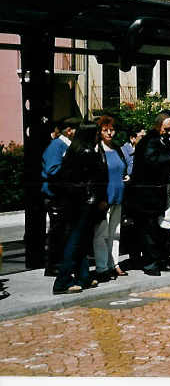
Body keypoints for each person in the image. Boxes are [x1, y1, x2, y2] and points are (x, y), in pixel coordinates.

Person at [51, 124, 101, 295]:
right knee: (76, 241)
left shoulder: (73, 150)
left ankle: (83, 276)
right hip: (83, 202)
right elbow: (96, 176)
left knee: (79, 241)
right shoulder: (87, 152)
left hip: (73, 201)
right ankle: (62, 281)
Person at [126, 112, 170, 276]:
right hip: (146, 194)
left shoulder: (161, 140)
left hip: (158, 191)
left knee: (161, 228)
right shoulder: (149, 141)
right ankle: (150, 262)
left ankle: (160, 259)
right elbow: (152, 160)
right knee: (149, 229)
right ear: (158, 126)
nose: (169, 132)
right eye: (166, 129)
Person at [91, 116, 130, 282]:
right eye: (105, 130)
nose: (109, 133)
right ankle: (102, 267)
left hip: (118, 197)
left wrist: (126, 176)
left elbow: (123, 168)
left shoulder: (117, 148)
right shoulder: (96, 149)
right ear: (99, 132)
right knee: (102, 234)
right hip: (104, 198)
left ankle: (114, 263)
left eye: (111, 130)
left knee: (115, 233)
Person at [40, 117, 80, 276]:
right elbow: (52, 170)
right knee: (58, 231)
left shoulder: (69, 146)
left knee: (67, 231)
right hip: (56, 195)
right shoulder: (57, 146)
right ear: (69, 131)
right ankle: (53, 265)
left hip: (67, 195)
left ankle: (65, 262)